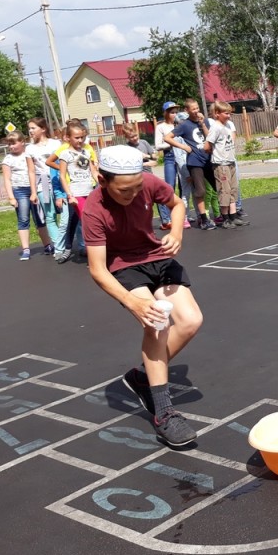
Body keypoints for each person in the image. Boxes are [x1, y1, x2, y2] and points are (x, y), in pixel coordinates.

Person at [81, 144, 203, 448]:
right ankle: (164, 413)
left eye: (137, 187)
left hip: (156, 257)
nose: (134, 194)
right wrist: (131, 301)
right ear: (103, 180)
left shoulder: (146, 182)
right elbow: (98, 270)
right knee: (158, 324)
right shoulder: (94, 210)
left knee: (190, 320)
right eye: (125, 190)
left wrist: (176, 232)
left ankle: (141, 376)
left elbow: (177, 204)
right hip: (124, 266)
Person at [164, 99, 217, 230]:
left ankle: (225, 215)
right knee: (200, 190)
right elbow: (167, 138)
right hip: (195, 162)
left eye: (197, 108)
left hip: (208, 160)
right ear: (187, 110)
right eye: (193, 109)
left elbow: (210, 138)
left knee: (218, 187)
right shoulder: (184, 125)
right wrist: (183, 147)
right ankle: (203, 219)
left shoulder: (204, 121)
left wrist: (202, 123)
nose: (196, 111)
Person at [1, 130, 53, 261]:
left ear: (22, 142)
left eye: (14, 143)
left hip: (35, 188)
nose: (11, 146)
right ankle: (26, 249)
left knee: (40, 218)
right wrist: (11, 197)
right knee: (23, 219)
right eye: (9, 144)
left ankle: (47, 245)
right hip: (19, 191)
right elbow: (7, 179)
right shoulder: (8, 159)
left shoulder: (29, 153)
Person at [57, 119, 99, 260]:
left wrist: (102, 184)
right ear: (68, 138)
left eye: (82, 137)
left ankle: (92, 250)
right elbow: (62, 176)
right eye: (76, 138)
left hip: (89, 192)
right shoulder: (65, 154)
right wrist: (70, 195)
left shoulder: (86, 152)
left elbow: (93, 172)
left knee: (90, 221)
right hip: (77, 194)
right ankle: (91, 253)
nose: (80, 140)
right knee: (87, 222)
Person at [206, 101, 248, 229]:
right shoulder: (216, 127)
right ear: (217, 113)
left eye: (230, 113)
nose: (229, 116)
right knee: (224, 191)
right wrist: (217, 154)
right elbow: (207, 146)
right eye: (226, 113)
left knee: (233, 189)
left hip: (230, 161)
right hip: (221, 164)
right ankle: (225, 218)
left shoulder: (228, 125)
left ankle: (233, 216)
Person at [25, 117, 63, 258]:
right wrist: (33, 192)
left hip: (58, 180)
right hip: (43, 184)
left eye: (33, 128)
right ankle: (59, 246)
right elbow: (31, 171)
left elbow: (62, 162)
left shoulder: (55, 144)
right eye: (29, 128)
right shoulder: (29, 148)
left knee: (65, 214)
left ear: (43, 129)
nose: (30, 131)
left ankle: (71, 243)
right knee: (50, 215)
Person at [154, 102, 190, 230]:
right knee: (169, 187)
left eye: (176, 112)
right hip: (170, 157)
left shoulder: (181, 124)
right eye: (172, 112)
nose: (174, 114)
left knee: (183, 186)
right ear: (166, 113)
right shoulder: (161, 127)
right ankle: (167, 218)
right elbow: (158, 145)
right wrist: (172, 143)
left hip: (182, 156)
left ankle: (183, 215)